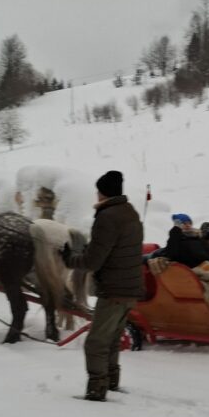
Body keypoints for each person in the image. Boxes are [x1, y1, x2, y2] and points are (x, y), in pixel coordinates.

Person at [63, 170, 143, 401]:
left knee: (96, 342)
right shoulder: (130, 213)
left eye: (98, 191)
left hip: (113, 290)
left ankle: (97, 390)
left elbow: (93, 261)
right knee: (111, 339)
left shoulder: (107, 217)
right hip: (129, 290)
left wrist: (70, 259)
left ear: (102, 193)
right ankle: (111, 383)